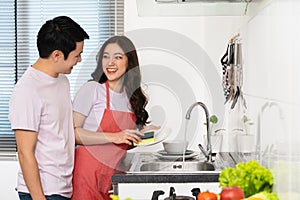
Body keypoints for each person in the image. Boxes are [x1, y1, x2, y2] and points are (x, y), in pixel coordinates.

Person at [9, 16, 89, 200]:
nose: (79, 59)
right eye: (77, 55)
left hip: (62, 188)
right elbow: (24, 153)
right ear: (57, 55)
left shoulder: (62, 81)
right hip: (43, 193)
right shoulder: (27, 90)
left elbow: (65, 132)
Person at [71, 35, 159, 200]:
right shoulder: (92, 89)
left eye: (117, 57)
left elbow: (122, 144)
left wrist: (143, 136)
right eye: (106, 56)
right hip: (87, 175)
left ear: (129, 62)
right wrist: (116, 136)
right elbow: (73, 134)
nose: (110, 62)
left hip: (114, 177)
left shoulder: (130, 98)